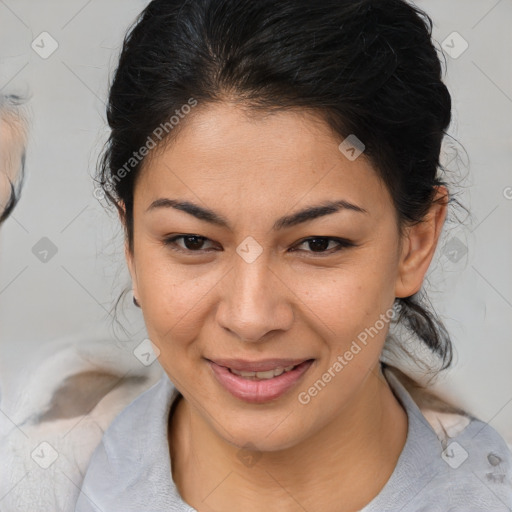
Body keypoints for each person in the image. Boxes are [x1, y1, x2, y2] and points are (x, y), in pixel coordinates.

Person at [75, 0, 512, 510]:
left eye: (318, 244)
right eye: (193, 242)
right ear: (130, 242)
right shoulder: (45, 482)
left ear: (414, 244)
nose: (251, 317)